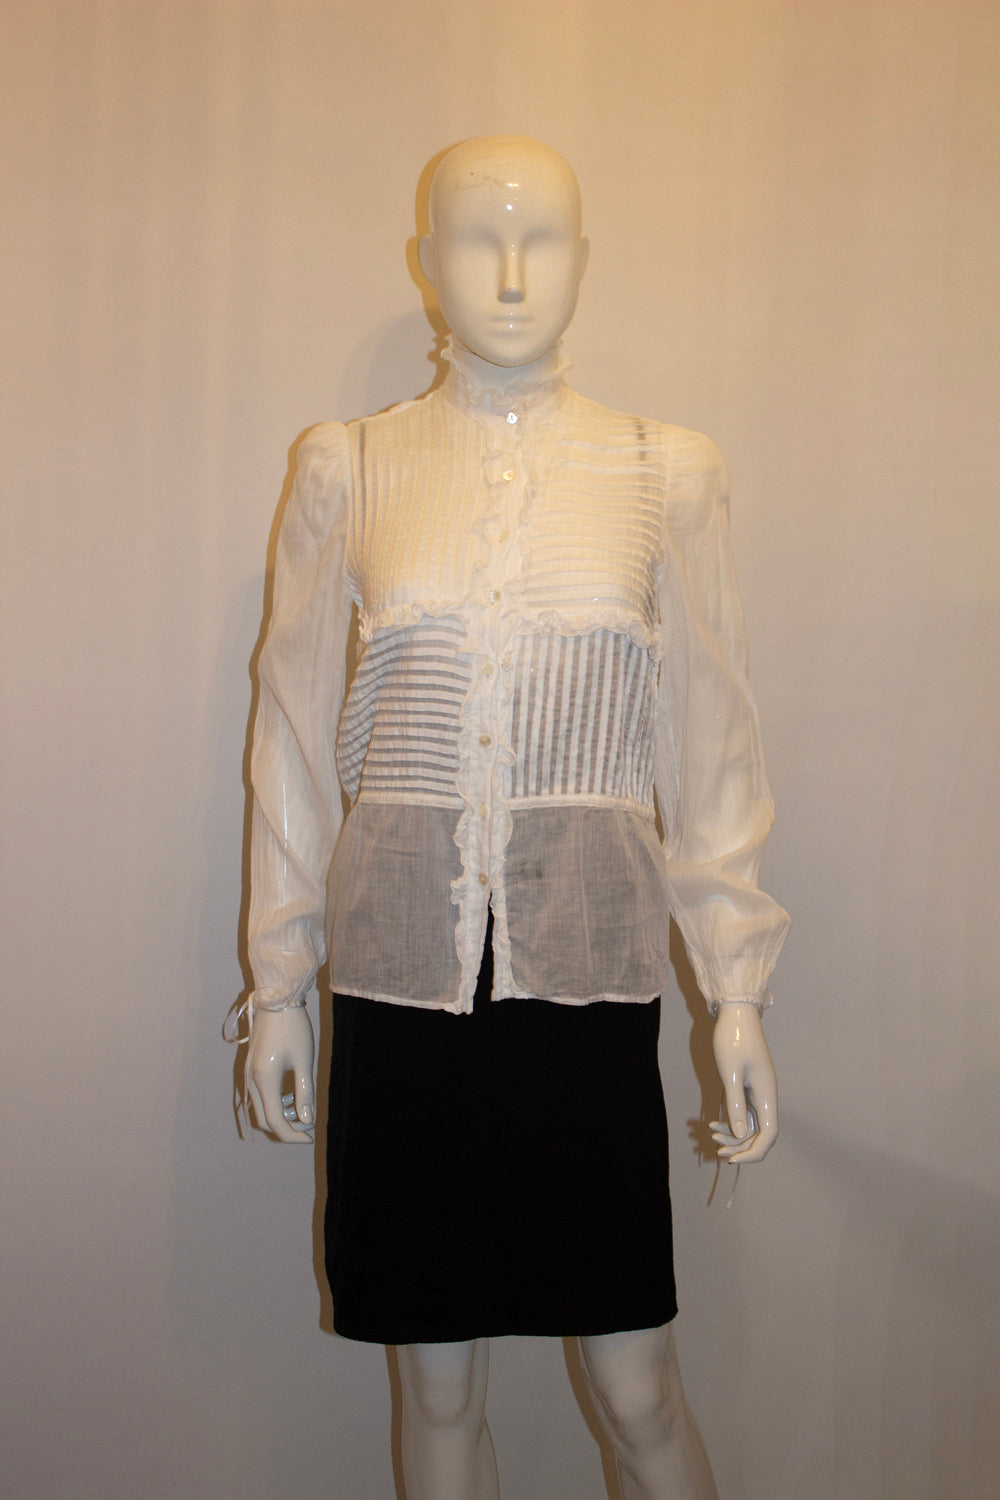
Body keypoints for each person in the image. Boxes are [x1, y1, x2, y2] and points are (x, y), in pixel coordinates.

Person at [240, 135, 789, 1500]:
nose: (507, 273)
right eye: (475, 240)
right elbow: (294, 736)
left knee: (638, 1381)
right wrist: (276, 985)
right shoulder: (347, 467)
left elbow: (710, 745)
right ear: (422, 263)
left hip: (583, 983)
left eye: (540, 239)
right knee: (434, 1383)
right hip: (400, 983)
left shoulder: (664, 471)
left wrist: (736, 991)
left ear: (584, 261)